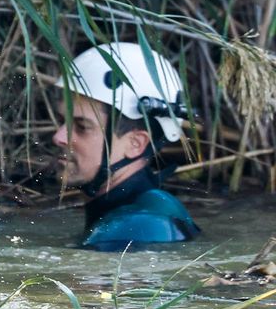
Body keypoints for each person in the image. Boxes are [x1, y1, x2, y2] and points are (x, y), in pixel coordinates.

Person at [52, 42, 201, 251]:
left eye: (82, 126)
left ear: (135, 144)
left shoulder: (137, 225)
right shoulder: (144, 213)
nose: (59, 137)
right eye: (62, 121)